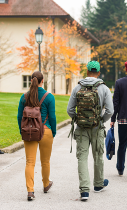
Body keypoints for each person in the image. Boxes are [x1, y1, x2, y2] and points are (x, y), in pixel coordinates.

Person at [67, 61, 114, 201]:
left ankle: (84, 191)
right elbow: (110, 111)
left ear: (87, 72)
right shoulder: (104, 89)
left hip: (81, 128)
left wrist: (78, 119)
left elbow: (70, 110)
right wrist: (101, 120)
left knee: (82, 158)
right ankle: (98, 184)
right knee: (98, 155)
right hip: (97, 127)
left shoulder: (77, 88)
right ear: (98, 72)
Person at [17, 71, 56, 201]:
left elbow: (19, 117)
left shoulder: (24, 97)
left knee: (29, 162)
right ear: (42, 81)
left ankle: (30, 191)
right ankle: (46, 184)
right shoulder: (49, 97)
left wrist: (22, 130)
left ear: (32, 81)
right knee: (45, 161)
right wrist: (53, 132)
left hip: (29, 132)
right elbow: (53, 117)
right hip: (46, 131)